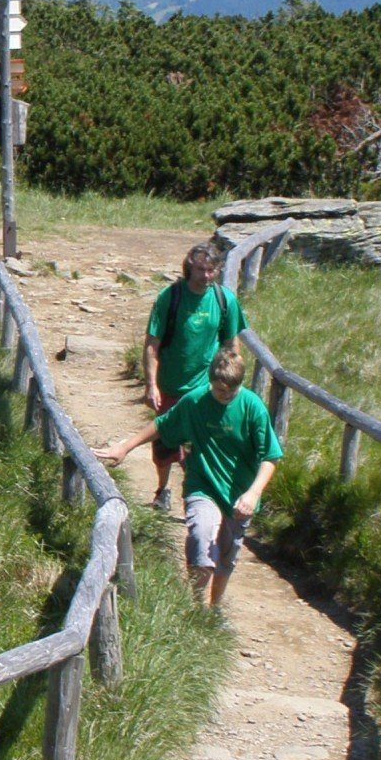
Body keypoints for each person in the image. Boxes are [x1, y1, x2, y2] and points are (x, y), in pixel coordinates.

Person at [94, 344, 281, 609]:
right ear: (211, 381)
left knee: (227, 558)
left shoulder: (253, 408)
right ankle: (197, 607)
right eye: (219, 390)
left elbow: (270, 456)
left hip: (239, 494)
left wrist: (253, 493)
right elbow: (162, 425)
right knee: (200, 539)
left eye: (231, 392)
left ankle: (214, 609)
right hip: (202, 485)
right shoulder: (195, 401)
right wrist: (124, 447)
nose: (225, 396)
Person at [141, 242, 245, 513]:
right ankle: (163, 489)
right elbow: (152, 343)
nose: (206, 276)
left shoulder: (225, 301)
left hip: (205, 389)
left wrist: (233, 384)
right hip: (170, 386)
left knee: (200, 447)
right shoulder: (170, 297)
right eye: (200, 269)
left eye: (211, 270)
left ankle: (197, 498)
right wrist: (151, 384)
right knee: (164, 445)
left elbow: (231, 344)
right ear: (189, 267)